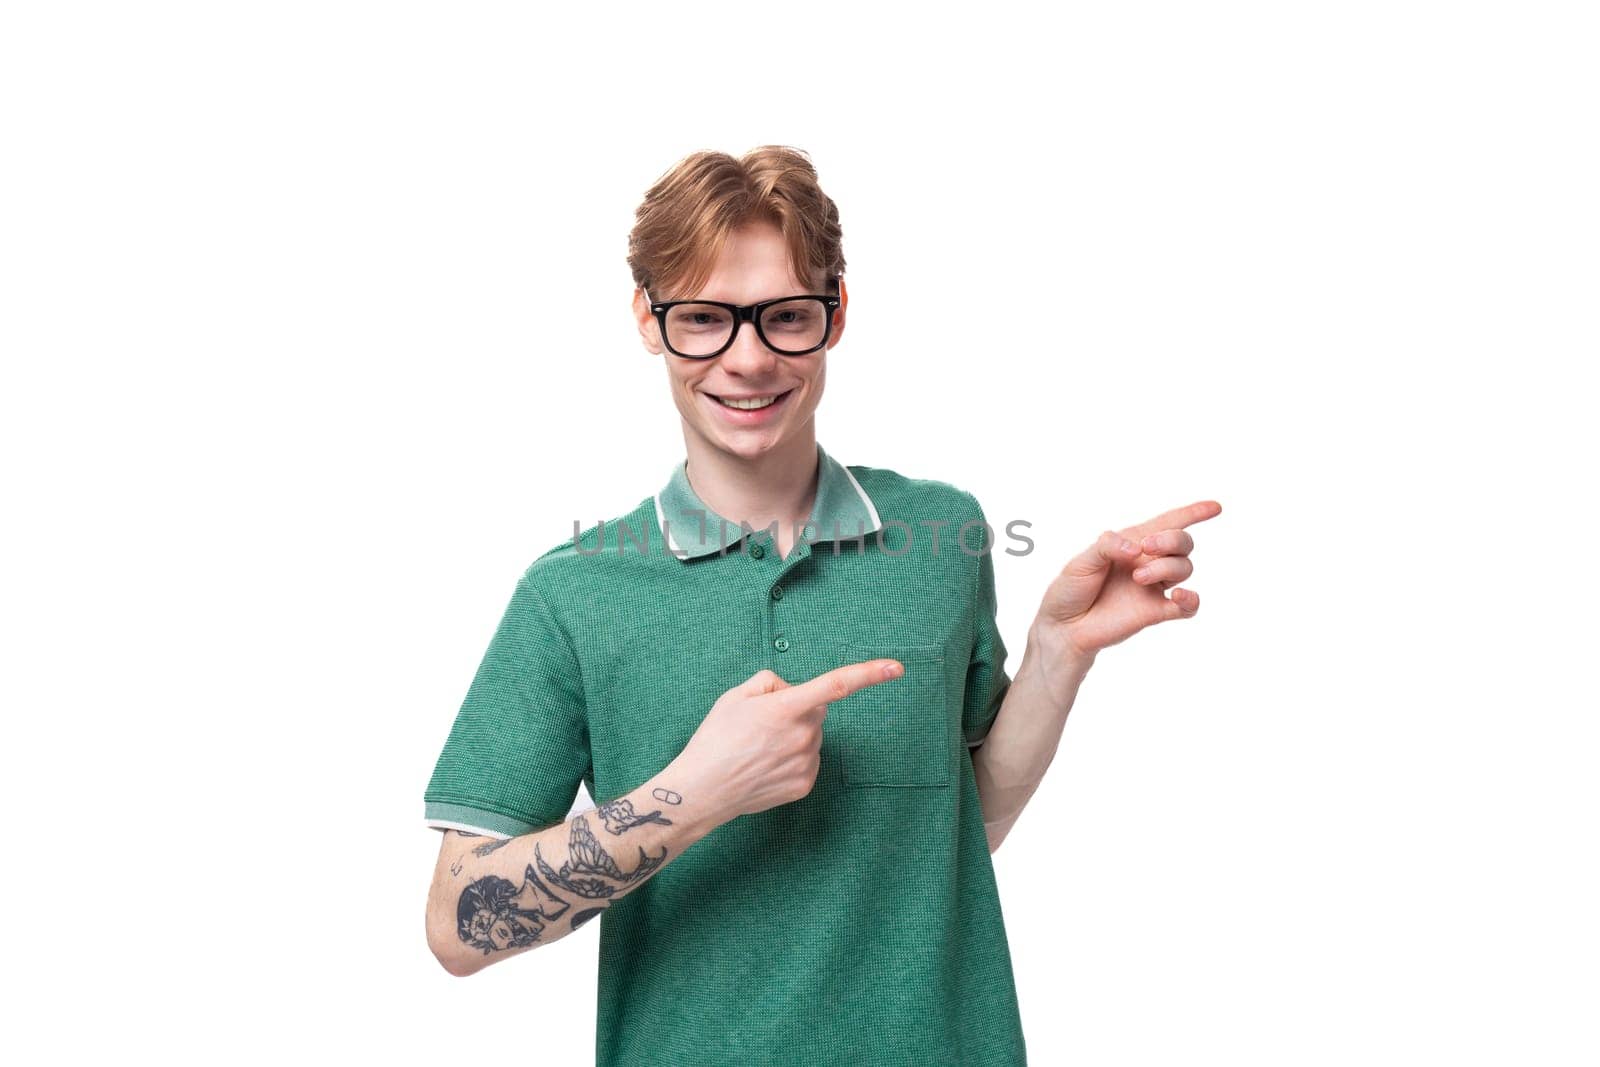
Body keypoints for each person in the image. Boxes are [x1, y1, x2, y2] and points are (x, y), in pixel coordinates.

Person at [421, 145, 1220, 1066]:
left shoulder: (942, 535)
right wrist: (696, 793)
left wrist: (1055, 654)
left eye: (786, 316)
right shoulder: (573, 592)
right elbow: (457, 924)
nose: (749, 359)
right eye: (705, 319)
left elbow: (962, 824)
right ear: (648, 319)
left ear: (836, 314)